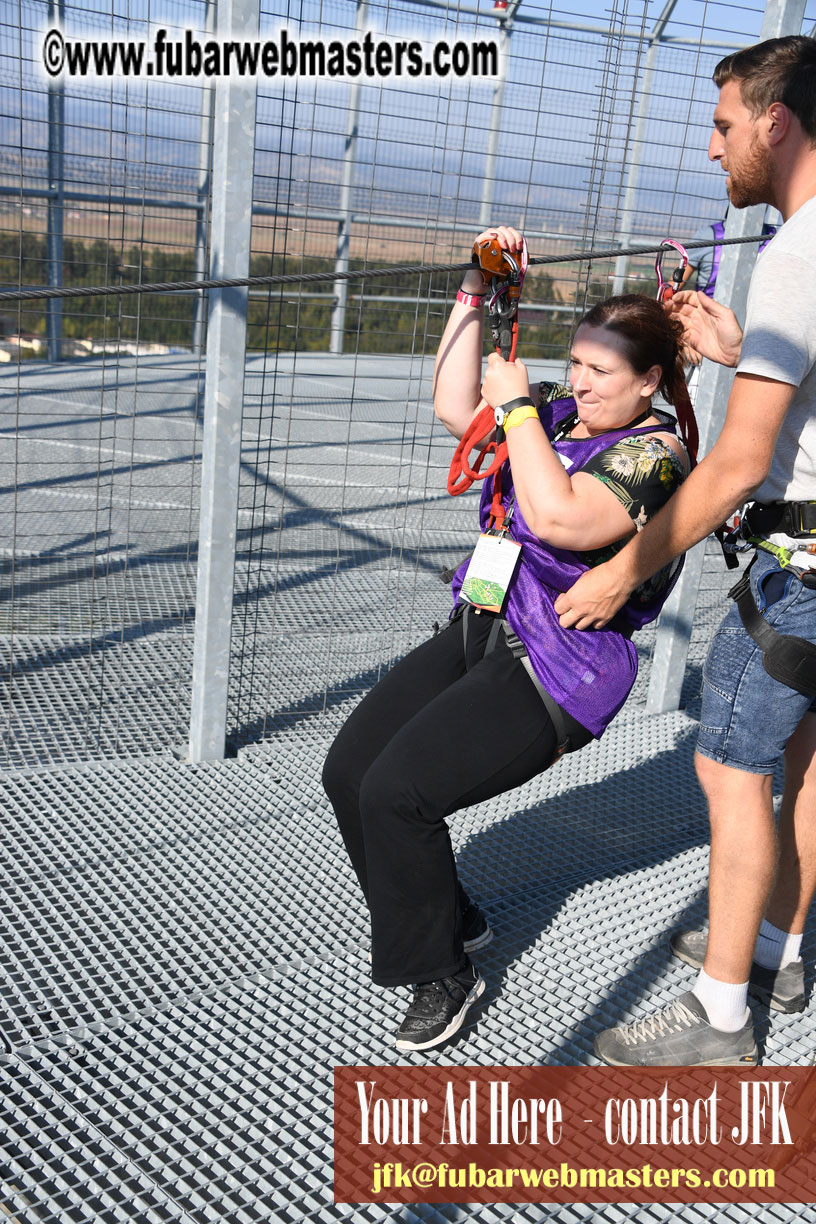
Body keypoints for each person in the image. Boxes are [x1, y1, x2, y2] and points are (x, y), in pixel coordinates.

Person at [322, 223, 690, 1052]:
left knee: (399, 793)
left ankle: (442, 968)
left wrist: (521, 405)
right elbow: (458, 407)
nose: (582, 383)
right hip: (486, 618)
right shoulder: (559, 414)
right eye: (579, 364)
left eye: (602, 371)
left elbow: (563, 519)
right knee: (350, 771)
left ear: (651, 381)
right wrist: (475, 290)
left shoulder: (655, 456)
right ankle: (451, 915)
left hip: (557, 662)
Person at [554, 35, 816, 1067]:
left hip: (801, 572)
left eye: (721, 126)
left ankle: (717, 1017)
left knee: (728, 768)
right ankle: (777, 944)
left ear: (776, 121)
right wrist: (737, 351)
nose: (713, 152)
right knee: (804, 758)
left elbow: (742, 462)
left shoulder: (797, 252)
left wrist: (625, 569)